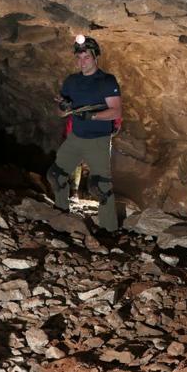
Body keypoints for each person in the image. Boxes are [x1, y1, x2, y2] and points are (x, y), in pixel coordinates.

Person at [47, 34, 122, 231]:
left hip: (98, 140)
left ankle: (109, 230)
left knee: (101, 186)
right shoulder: (71, 81)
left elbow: (116, 111)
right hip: (75, 138)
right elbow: (61, 113)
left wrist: (93, 116)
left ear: (96, 57)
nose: (82, 62)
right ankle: (62, 213)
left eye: (86, 57)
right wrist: (64, 107)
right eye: (79, 58)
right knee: (56, 174)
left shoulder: (107, 81)